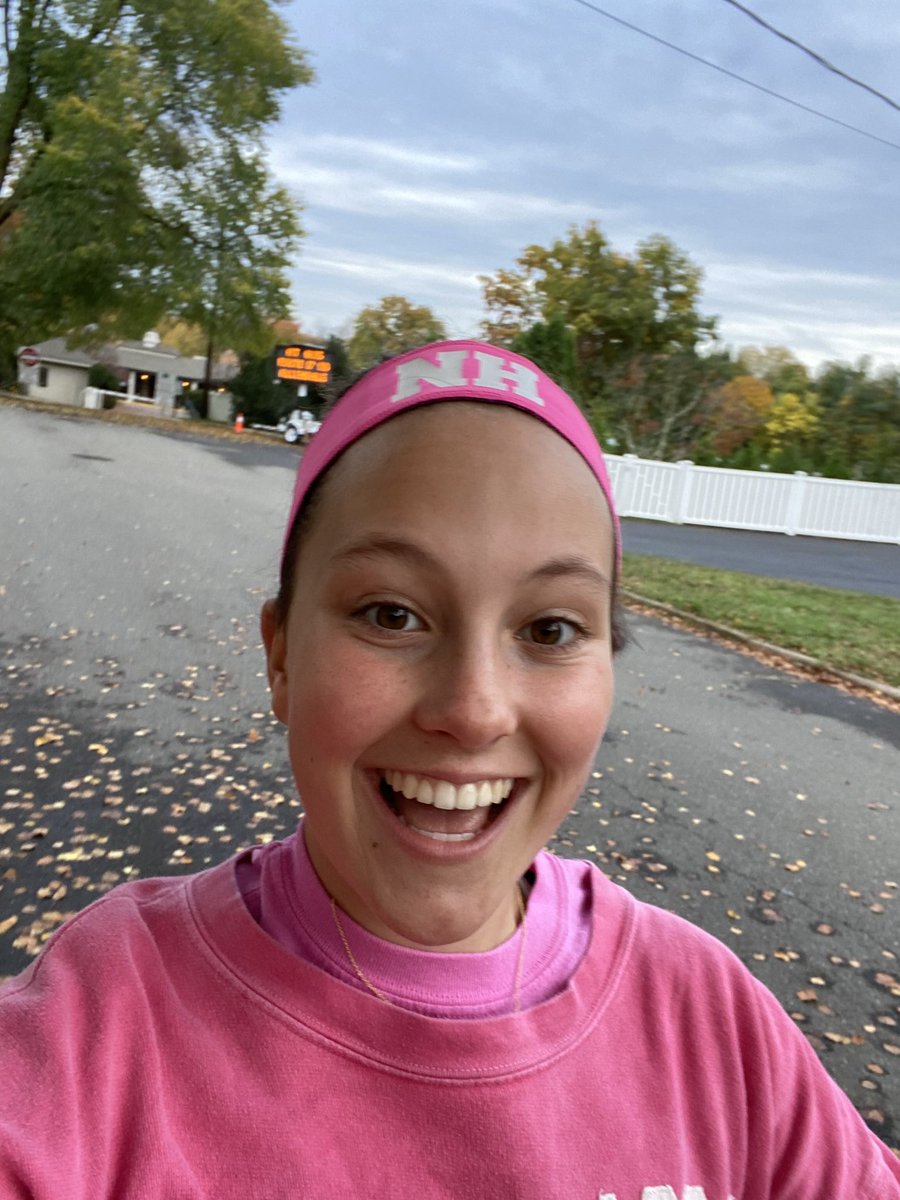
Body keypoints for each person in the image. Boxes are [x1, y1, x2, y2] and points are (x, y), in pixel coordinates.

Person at [0, 340, 897, 1199]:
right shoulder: (106, 1022)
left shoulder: (709, 1020)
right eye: (391, 614)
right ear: (281, 657)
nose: (474, 711)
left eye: (549, 629)